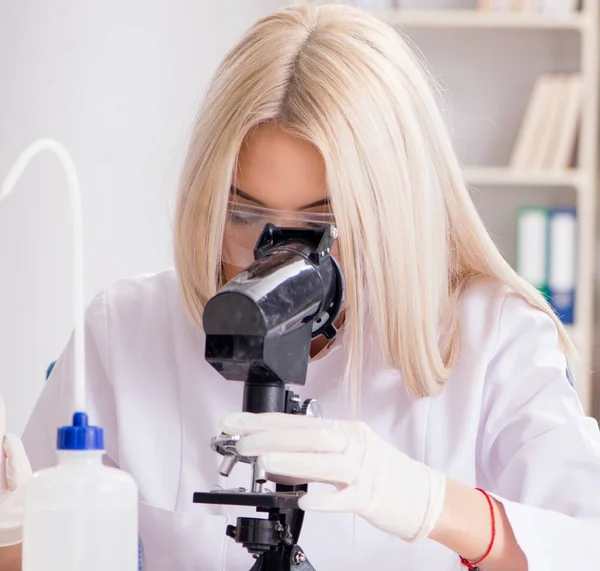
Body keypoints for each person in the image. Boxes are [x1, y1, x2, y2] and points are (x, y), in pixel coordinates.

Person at [2, 3, 600, 570]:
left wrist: (428, 504)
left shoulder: (493, 335)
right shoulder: (126, 329)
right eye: (243, 217)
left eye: (321, 227)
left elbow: (583, 543)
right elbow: (25, 542)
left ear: (394, 215)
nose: (275, 258)